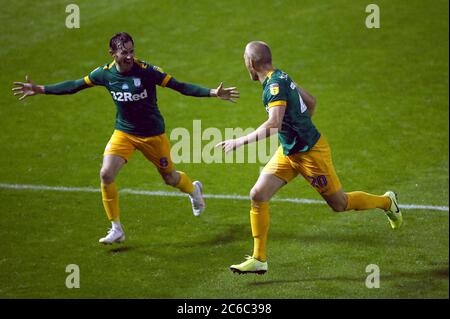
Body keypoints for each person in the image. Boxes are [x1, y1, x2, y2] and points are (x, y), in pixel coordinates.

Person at [12, 32, 240, 245]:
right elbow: (74, 86)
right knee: (106, 173)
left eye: (131, 51)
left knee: (170, 178)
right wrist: (40, 89)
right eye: (124, 52)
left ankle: (194, 190)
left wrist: (212, 92)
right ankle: (116, 228)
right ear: (113, 54)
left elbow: (179, 86)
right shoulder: (104, 74)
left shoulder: (147, 71)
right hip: (124, 133)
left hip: (153, 135)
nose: (130, 56)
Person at [216, 41, 402, 275]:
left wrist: (239, 141)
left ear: (251, 63)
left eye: (244, 59)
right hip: (289, 151)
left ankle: (387, 202)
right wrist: (298, 127)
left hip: (311, 154)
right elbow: (311, 102)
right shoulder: (282, 76)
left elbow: (273, 123)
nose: (244, 63)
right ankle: (259, 259)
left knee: (340, 204)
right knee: (258, 194)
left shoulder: (274, 86)